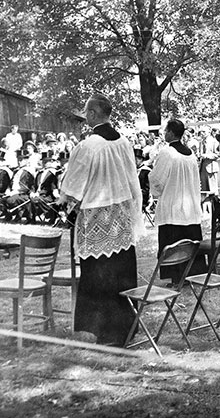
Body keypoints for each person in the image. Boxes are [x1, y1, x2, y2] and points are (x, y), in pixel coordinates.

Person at [60, 93, 143, 346]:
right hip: (120, 216)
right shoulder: (124, 143)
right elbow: (132, 180)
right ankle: (124, 327)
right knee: (120, 273)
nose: (85, 117)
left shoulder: (88, 146)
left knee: (99, 275)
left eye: (86, 112)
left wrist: (64, 202)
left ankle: (101, 331)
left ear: (94, 114)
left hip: (97, 217)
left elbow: (71, 189)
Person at [149, 119, 204, 284]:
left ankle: (177, 277)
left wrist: (157, 192)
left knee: (173, 242)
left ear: (172, 132)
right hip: (190, 204)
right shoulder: (190, 154)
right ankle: (191, 274)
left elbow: (157, 179)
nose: (164, 134)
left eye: (166, 131)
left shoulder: (167, 153)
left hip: (173, 204)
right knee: (189, 239)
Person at [199, 125, 220, 194]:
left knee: (212, 190)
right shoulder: (201, 142)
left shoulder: (214, 141)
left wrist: (207, 156)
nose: (202, 133)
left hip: (211, 168)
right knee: (204, 191)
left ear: (209, 132)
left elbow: (218, 154)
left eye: (204, 131)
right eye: (201, 132)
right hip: (203, 168)